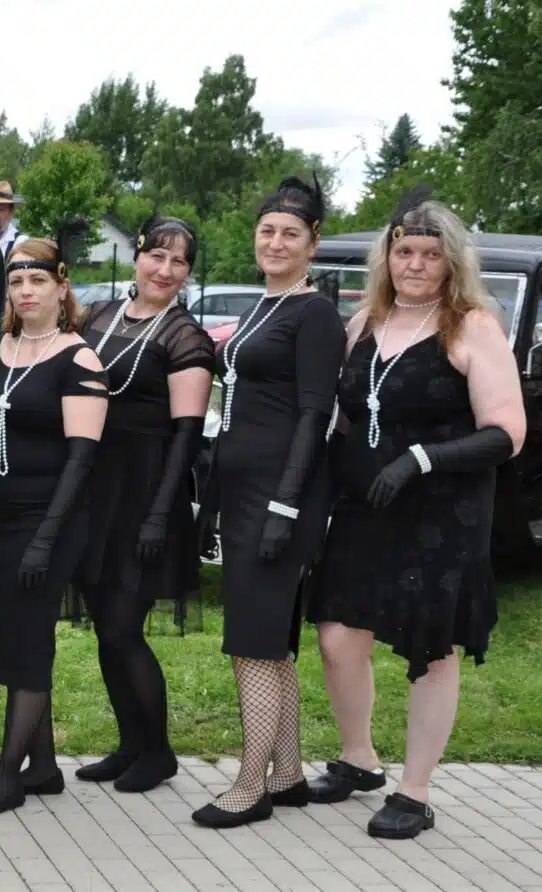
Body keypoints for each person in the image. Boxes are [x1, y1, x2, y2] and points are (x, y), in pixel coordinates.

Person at [307, 188, 525, 839]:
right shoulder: (364, 323)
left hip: (441, 514)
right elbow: (345, 417)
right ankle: (359, 759)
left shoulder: (472, 326)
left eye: (431, 254)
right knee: (337, 636)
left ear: (452, 262)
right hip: (365, 508)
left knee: (431, 649)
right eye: (405, 252)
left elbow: (507, 434)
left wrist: (421, 460)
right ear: (388, 257)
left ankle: (416, 790)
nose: (416, 264)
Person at [192, 176, 344, 830]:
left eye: (290, 233)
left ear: (313, 243)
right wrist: (213, 500)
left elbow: (314, 415)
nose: (276, 242)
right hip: (245, 491)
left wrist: (285, 506)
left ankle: (249, 784)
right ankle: (287, 774)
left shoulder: (314, 314)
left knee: (252, 641)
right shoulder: (263, 306)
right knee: (271, 641)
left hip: (281, 495)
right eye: (267, 231)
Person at [0, 235, 109, 817]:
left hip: (49, 521)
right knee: (8, 637)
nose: (26, 291)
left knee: (28, 643)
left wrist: (46, 538)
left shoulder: (79, 359)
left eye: (38, 280)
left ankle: (6, 776)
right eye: (17, 281)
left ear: (61, 287)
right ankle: (42, 766)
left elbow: (82, 459)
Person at [74, 216, 214, 794]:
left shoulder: (185, 337)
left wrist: (160, 514)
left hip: (148, 492)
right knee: (105, 627)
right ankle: (130, 744)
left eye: (179, 261)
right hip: (96, 492)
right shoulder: (98, 317)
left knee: (123, 628)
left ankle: (158, 752)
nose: (165, 269)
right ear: (137, 256)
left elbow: (187, 436)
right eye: (157, 255)